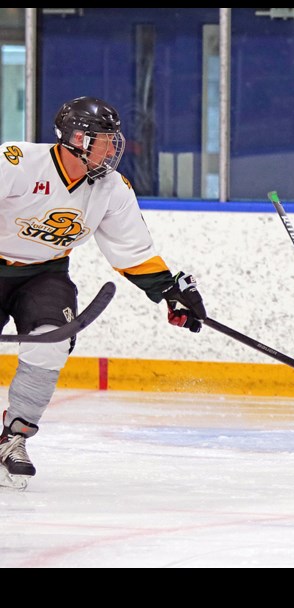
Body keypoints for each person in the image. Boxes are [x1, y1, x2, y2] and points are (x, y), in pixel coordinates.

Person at [0, 96, 207, 490]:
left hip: (44, 273)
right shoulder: (17, 162)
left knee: (49, 342)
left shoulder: (111, 188)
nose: (113, 149)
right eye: (105, 139)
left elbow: (134, 251)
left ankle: (14, 439)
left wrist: (170, 291)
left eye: (114, 140)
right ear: (77, 138)